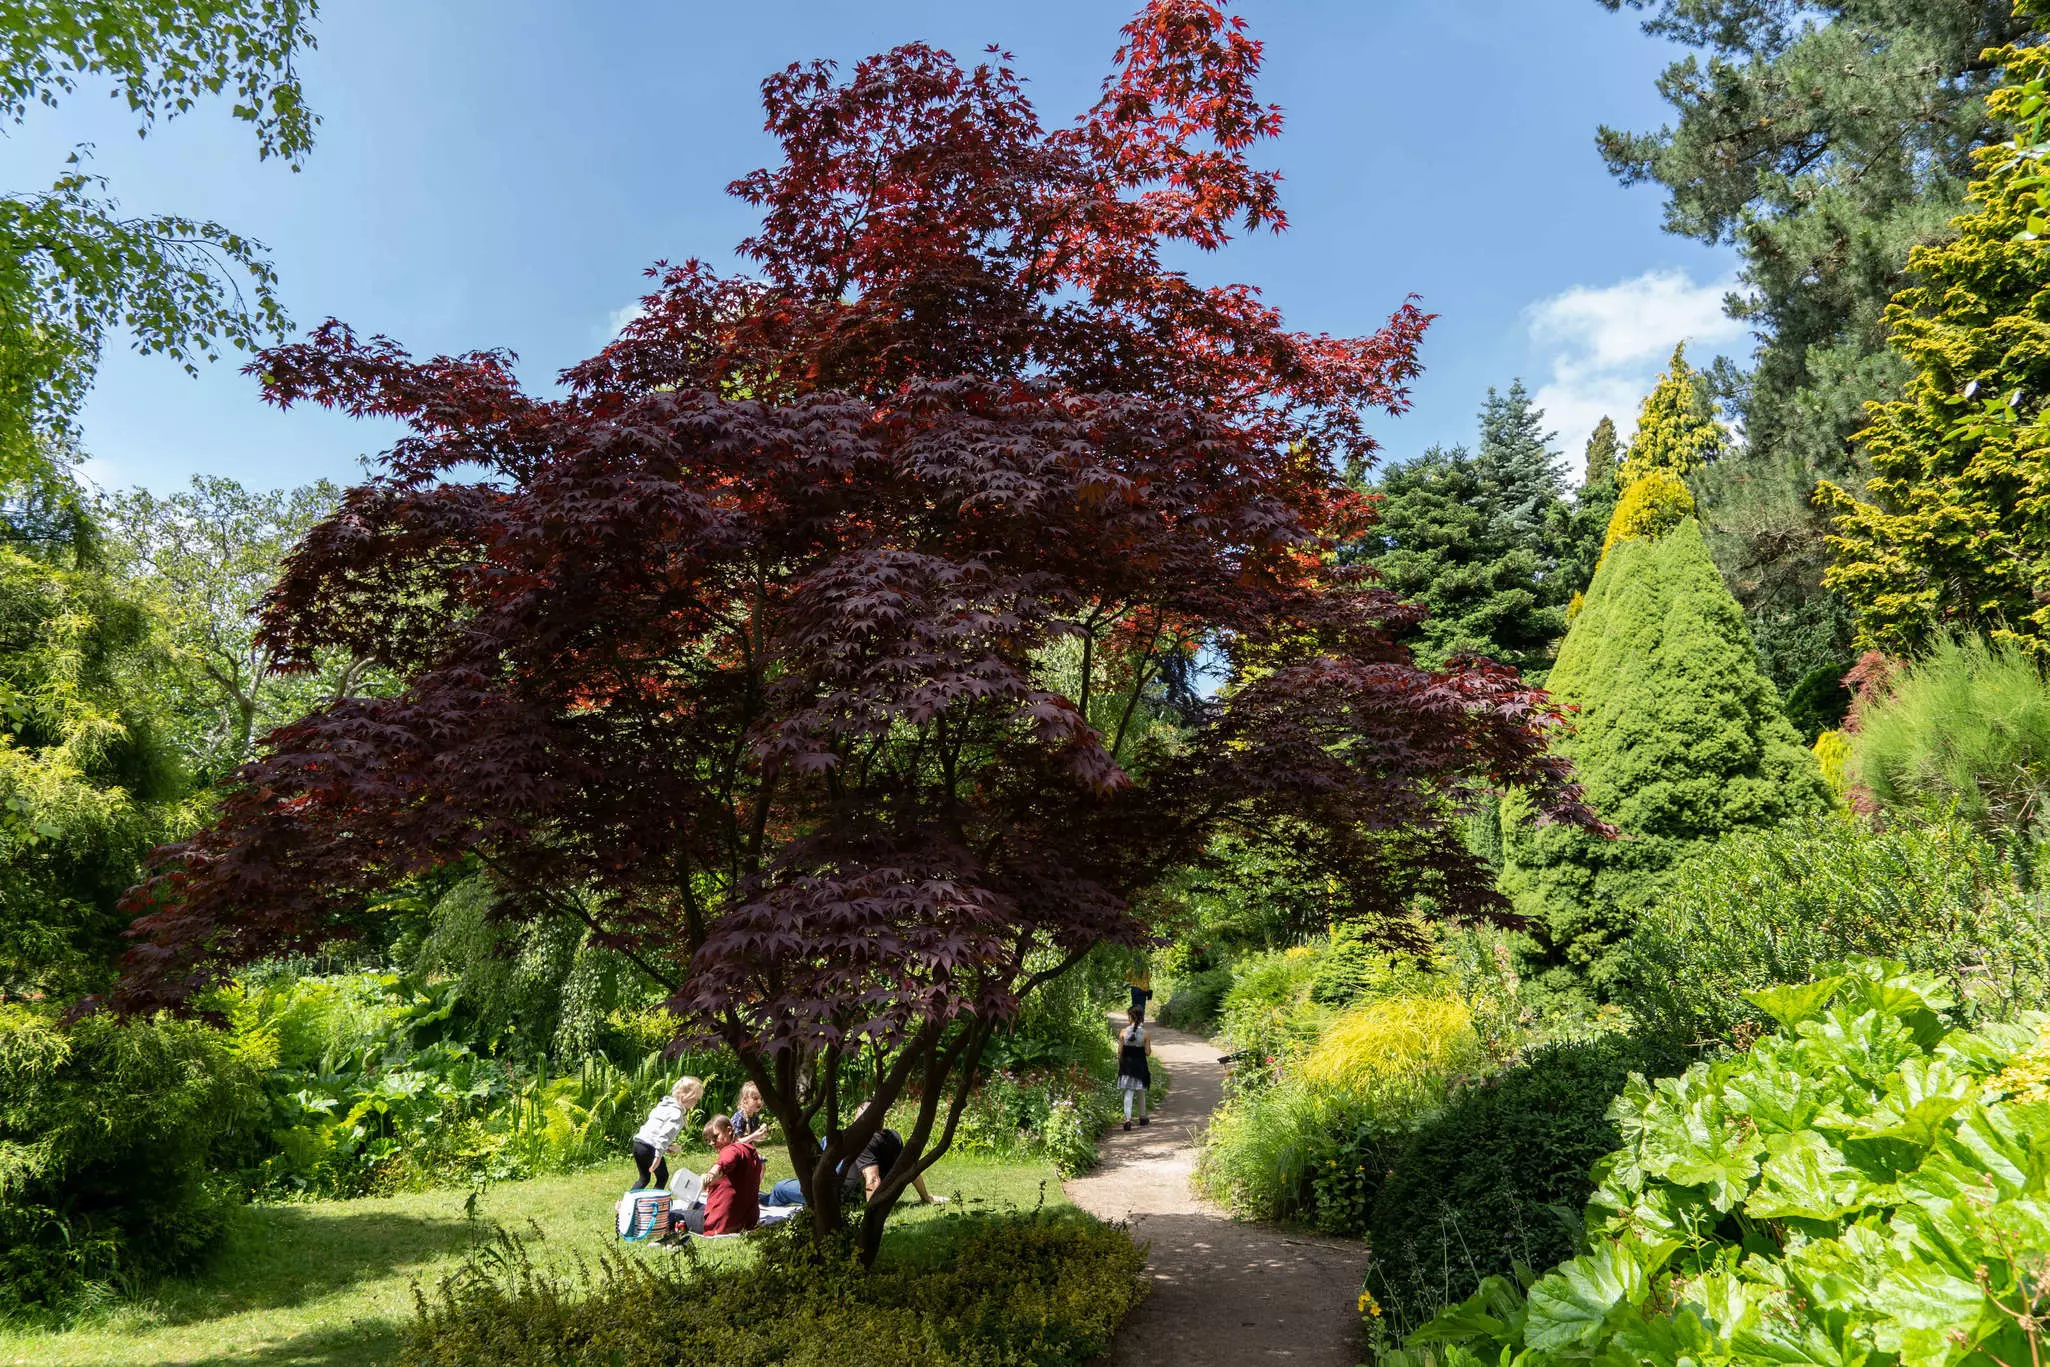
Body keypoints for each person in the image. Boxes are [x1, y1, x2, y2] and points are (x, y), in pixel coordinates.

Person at [841, 1104, 945, 1207]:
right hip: (873, 1197)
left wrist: (872, 1218)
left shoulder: (865, 1141)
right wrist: (925, 1197)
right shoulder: (893, 1136)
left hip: (852, 1200)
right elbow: (909, 1167)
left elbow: (873, 1178)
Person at [630, 1076, 703, 1190]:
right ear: (685, 1096)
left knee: (644, 1178)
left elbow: (655, 1130)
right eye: (695, 1099)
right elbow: (663, 1135)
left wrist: (666, 1147)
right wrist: (658, 1156)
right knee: (663, 1177)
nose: (696, 1102)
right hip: (650, 1148)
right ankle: (655, 1204)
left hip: (638, 1144)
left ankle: (627, 1205)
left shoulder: (663, 1105)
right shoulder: (676, 1114)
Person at [699, 1114, 765, 1236]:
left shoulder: (731, 1151)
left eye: (715, 1137)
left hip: (724, 1222)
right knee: (697, 1206)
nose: (712, 1143)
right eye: (709, 1140)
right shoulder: (750, 1151)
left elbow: (723, 1164)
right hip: (749, 1220)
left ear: (729, 1130)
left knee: (677, 1215)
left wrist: (710, 1175)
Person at [1115, 1009, 1152, 1130]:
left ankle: (1128, 1119)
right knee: (1141, 1092)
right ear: (1142, 1018)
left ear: (1129, 1018)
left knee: (1128, 1092)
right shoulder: (1145, 1033)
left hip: (1126, 1066)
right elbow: (1147, 1052)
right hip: (1140, 1066)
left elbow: (1120, 1052)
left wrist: (1119, 1065)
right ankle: (1142, 1117)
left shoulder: (1123, 1032)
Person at [731, 1080, 776, 1146]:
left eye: (761, 1098)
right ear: (745, 1100)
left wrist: (761, 1134)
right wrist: (754, 1135)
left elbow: (751, 1139)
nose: (760, 1102)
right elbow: (736, 1143)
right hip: (735, 1153)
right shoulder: (739, 1117)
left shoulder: (754, 1117)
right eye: (755, 1098)